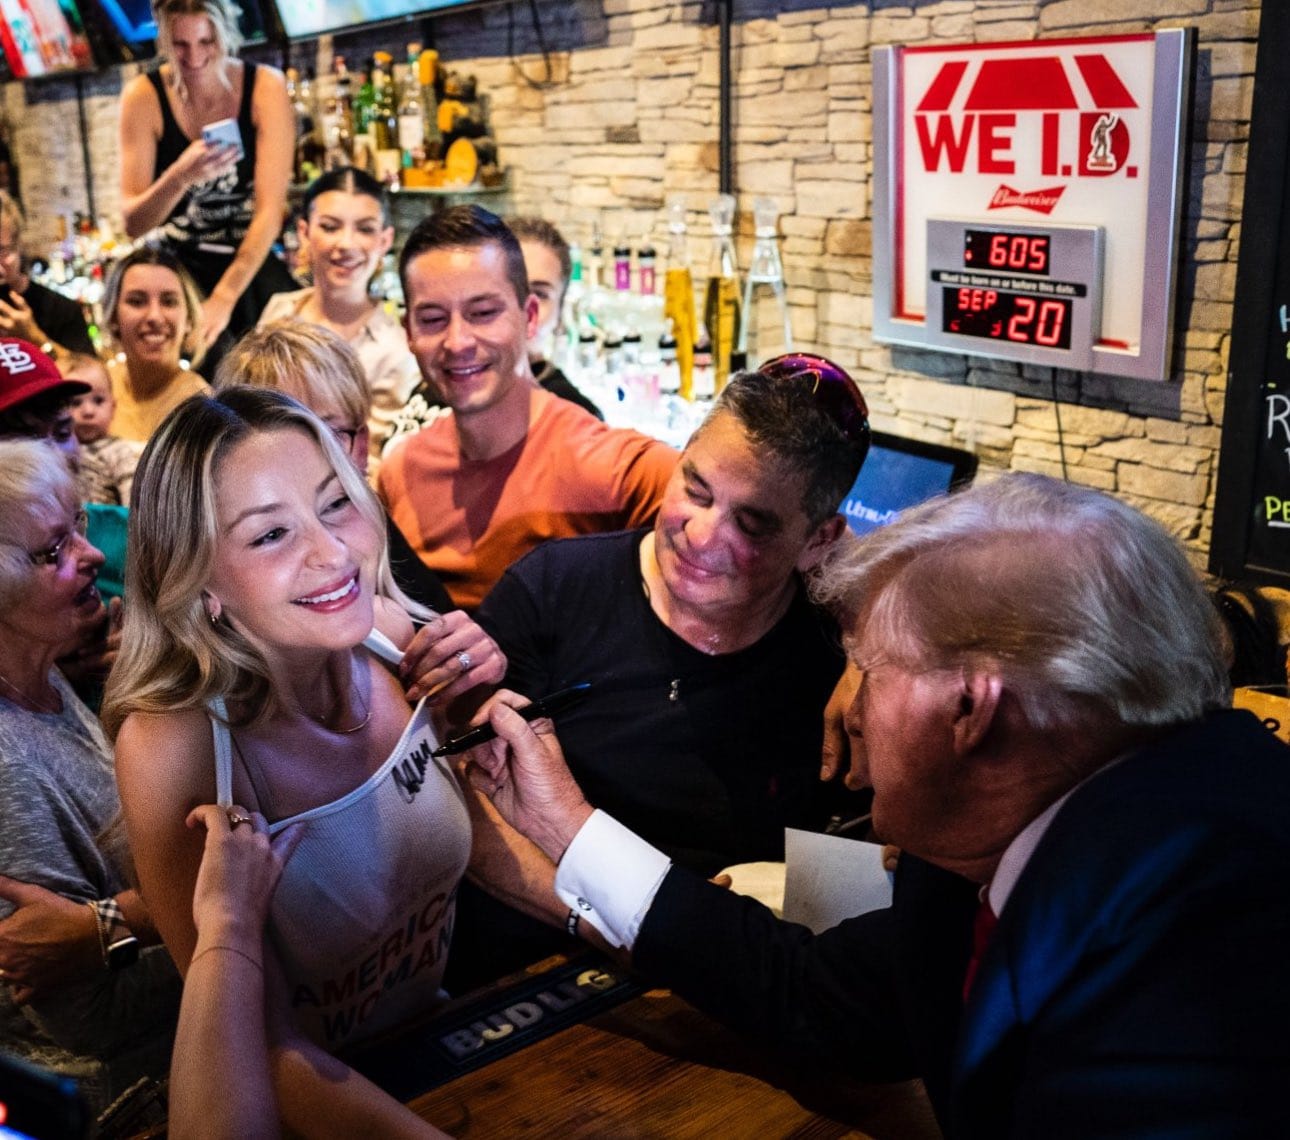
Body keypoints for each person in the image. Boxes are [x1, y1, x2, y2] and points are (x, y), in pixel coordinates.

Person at [468, 472, 1289, 1136]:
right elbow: (815, 997)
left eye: (871, 669)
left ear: (973, 711)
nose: (851, 712)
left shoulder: (1195, 971)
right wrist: (571, 827)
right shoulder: (986, 853)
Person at [103, 387, 516, 1135]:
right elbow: (259, 1049)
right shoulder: (174, 747)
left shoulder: (391, 637)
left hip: (442, 1054)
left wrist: (483, 719)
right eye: (269, 536)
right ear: (202, 586)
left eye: (335, 505)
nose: (332, 552)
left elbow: (499, 838)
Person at [450, 353, 871, 988]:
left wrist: (881, 648)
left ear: (819, 540)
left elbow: (852, 866)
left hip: (734, 975)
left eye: (752, 524)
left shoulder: (838, 655)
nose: (702, 536)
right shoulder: (556, 588)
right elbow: (470, 809)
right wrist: (626, 930)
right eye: (694, 490)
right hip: (535, 957)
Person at [0, 439, 180, 1116]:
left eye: (78, 526)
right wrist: (239, 909)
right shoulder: (4, 766)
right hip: (131, 1101)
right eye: (53, 551)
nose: (94, 555)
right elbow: (88, 1017)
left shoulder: (41, 676)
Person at [378, 205, 678, 611]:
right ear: (409, 333)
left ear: (530, 316)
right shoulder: (403, 473)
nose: (458, 341)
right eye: (432, 319)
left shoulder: (612, 468)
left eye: (483, 313)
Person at [216, 322, 506, 692]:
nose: (310, 460)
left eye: (329, 433)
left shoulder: (374, 530)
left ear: (361, 446)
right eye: (281, 438)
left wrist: (474, 664)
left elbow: (451, 667)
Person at [118, 0, 295, 353]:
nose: (194, 58)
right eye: (180, 45)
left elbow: (270, 214)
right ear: (163, 38)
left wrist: (224, 299)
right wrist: (180, 175)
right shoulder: (143, 96)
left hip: (250, 257)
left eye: (207, 42)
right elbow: (134, 223)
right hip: (182, 262)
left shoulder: (265, 87)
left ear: (226, 32)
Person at [258, 168, 418, 477]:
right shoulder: (279, 312)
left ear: (385, 240)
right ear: (304, 233)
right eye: (330, 227)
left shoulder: (396, 348)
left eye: (365, 229)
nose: (346, 243)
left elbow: (376, 466)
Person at [103, 245, 211, 444]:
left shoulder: (202, 407)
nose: (154, 316)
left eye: (169, 302)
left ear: (188, 320)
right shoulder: (101, 386)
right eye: (136, 301)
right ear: (113, 317)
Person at [508, 216, 601, 418]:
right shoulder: (453, 380)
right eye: (510, 287)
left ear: (559, 311)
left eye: (540, 294)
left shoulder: (575, 414)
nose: (524, 306)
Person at [0, 192, 95, 359]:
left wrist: (35, 339)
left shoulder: (62, 310)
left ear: (18, 246)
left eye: (2, 251)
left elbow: (92, 381)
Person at [66, 353, 142, 508]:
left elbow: (134, 492)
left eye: (98, 400)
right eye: (75, 402)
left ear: (113, 408)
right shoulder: (55, 449)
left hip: (104, 525)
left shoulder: (118, 450)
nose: (88, 411)